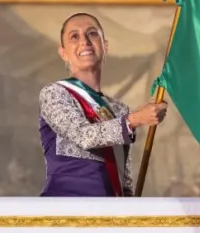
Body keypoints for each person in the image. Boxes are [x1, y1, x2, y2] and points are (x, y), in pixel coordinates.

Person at [39, 12, 168, 196]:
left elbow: (124, 179)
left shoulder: (119, 109)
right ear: (63, 53)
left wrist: (130, 206)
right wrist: (133, 120)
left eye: (92, 33)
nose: (84, 41)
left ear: (104, 46)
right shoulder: (55, 93)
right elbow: (82, 136)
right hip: (66, 208)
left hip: (109, 213)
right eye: (74, 37)